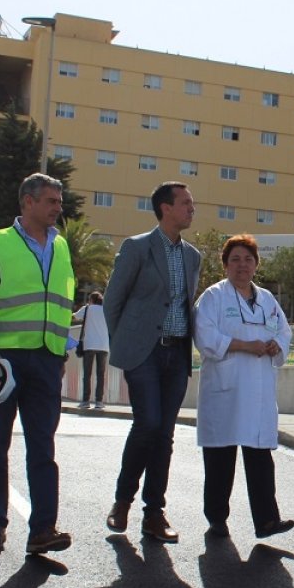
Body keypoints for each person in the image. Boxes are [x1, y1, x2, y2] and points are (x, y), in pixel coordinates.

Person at [0, 173, 76, 554]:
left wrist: (62, 350)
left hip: (46, 359)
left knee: (42, 447)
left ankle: (43, 529)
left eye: (59, 201)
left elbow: (62, 303)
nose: (58, 208)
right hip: (3, 361)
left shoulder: (60, 247)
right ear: (28, 202)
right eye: (51, 201)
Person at [103, 181, 202, 544]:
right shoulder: (137, 247)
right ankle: (122, 501)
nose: (192, 209)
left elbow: (185, 306)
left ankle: (154, 513)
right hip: (143, 353)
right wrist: (126, 345)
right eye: (186, 203)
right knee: (148, 423)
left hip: (176, 353)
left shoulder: (193, 256)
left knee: (165, 433)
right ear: (165, 208)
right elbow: (113, 301)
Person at [194, 234, 294, 539]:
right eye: (235, 259)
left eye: (248, 259)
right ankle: (216, 517)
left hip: (259, 390)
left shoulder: (267, 299)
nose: (242, 265)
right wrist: (242, 345)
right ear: (225, 265)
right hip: (227, 390)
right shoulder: (213, 297)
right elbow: (206, 338)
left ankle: (267, 521)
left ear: (256, 265)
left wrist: (277, 345)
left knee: (260, 458)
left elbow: (284, 332)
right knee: (220, 460)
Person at [73, 291, 109, 409]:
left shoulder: (88, 309)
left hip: (89, 345)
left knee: (87, 374)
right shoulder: (106, 309)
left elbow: (75, 316)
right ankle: (99, 402)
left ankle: (85, 401)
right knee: (101, 374)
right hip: (103, 345)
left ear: (91, 300)